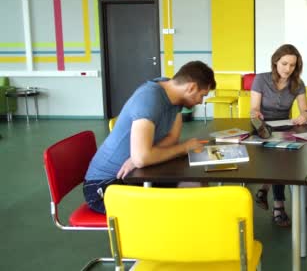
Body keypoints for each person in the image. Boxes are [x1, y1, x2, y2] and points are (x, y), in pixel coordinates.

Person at [83, 61, 217, 214]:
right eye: (202, 96)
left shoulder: (174, 96)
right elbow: (142, 158)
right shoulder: (150, 99)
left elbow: (172, 138)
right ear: (191, 87)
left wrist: (139, 157)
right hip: (105, 186)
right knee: (186, 198)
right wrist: (184, 148)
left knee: (196, 184)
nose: (200, 102)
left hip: (134, 173)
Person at [250, 44, 307, 227]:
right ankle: (278, 206)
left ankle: (265, 190)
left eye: (292, 65)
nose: (288, 69)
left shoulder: (298, 84)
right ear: (275, 62)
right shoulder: (260, 80)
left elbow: (306, 111)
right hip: (261, 126)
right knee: (278, 160)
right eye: (284, 63)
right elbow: (253, 109)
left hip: (284, 128)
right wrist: (256, 113)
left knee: (280, 160)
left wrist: (304, 116)